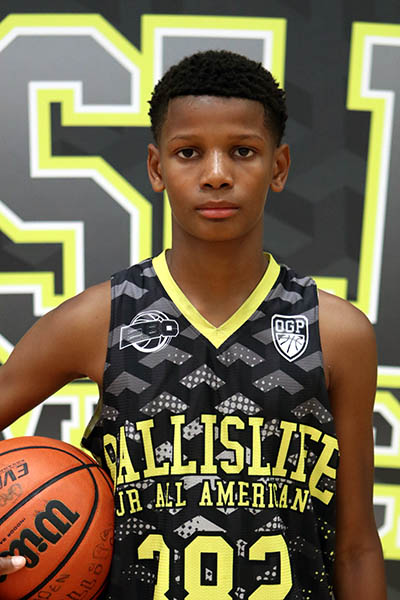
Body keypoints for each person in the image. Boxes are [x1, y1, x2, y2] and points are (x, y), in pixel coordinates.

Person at [0, 50, 386, 599]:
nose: (217, 175)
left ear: (279, 167)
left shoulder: (337, 333)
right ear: (157, 168)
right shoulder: (101, 318)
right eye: (189, 153)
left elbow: (356, 547)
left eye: (243, 151)